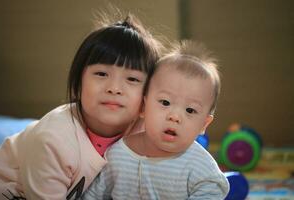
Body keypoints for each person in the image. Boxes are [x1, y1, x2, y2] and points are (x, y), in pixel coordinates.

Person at [0, 12, 161, 200]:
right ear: (78, 83)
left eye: (132, 79)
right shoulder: (53, 141)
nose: (114, 88)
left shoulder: (148, 134)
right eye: (101, 74)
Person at [82, 40, 230, 200]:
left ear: (204, 124)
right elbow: (93, 195)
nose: (174, 117)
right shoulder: (117, 156)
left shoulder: (201, 169)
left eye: (190, 110)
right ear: (144, 107)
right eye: (165, 102)